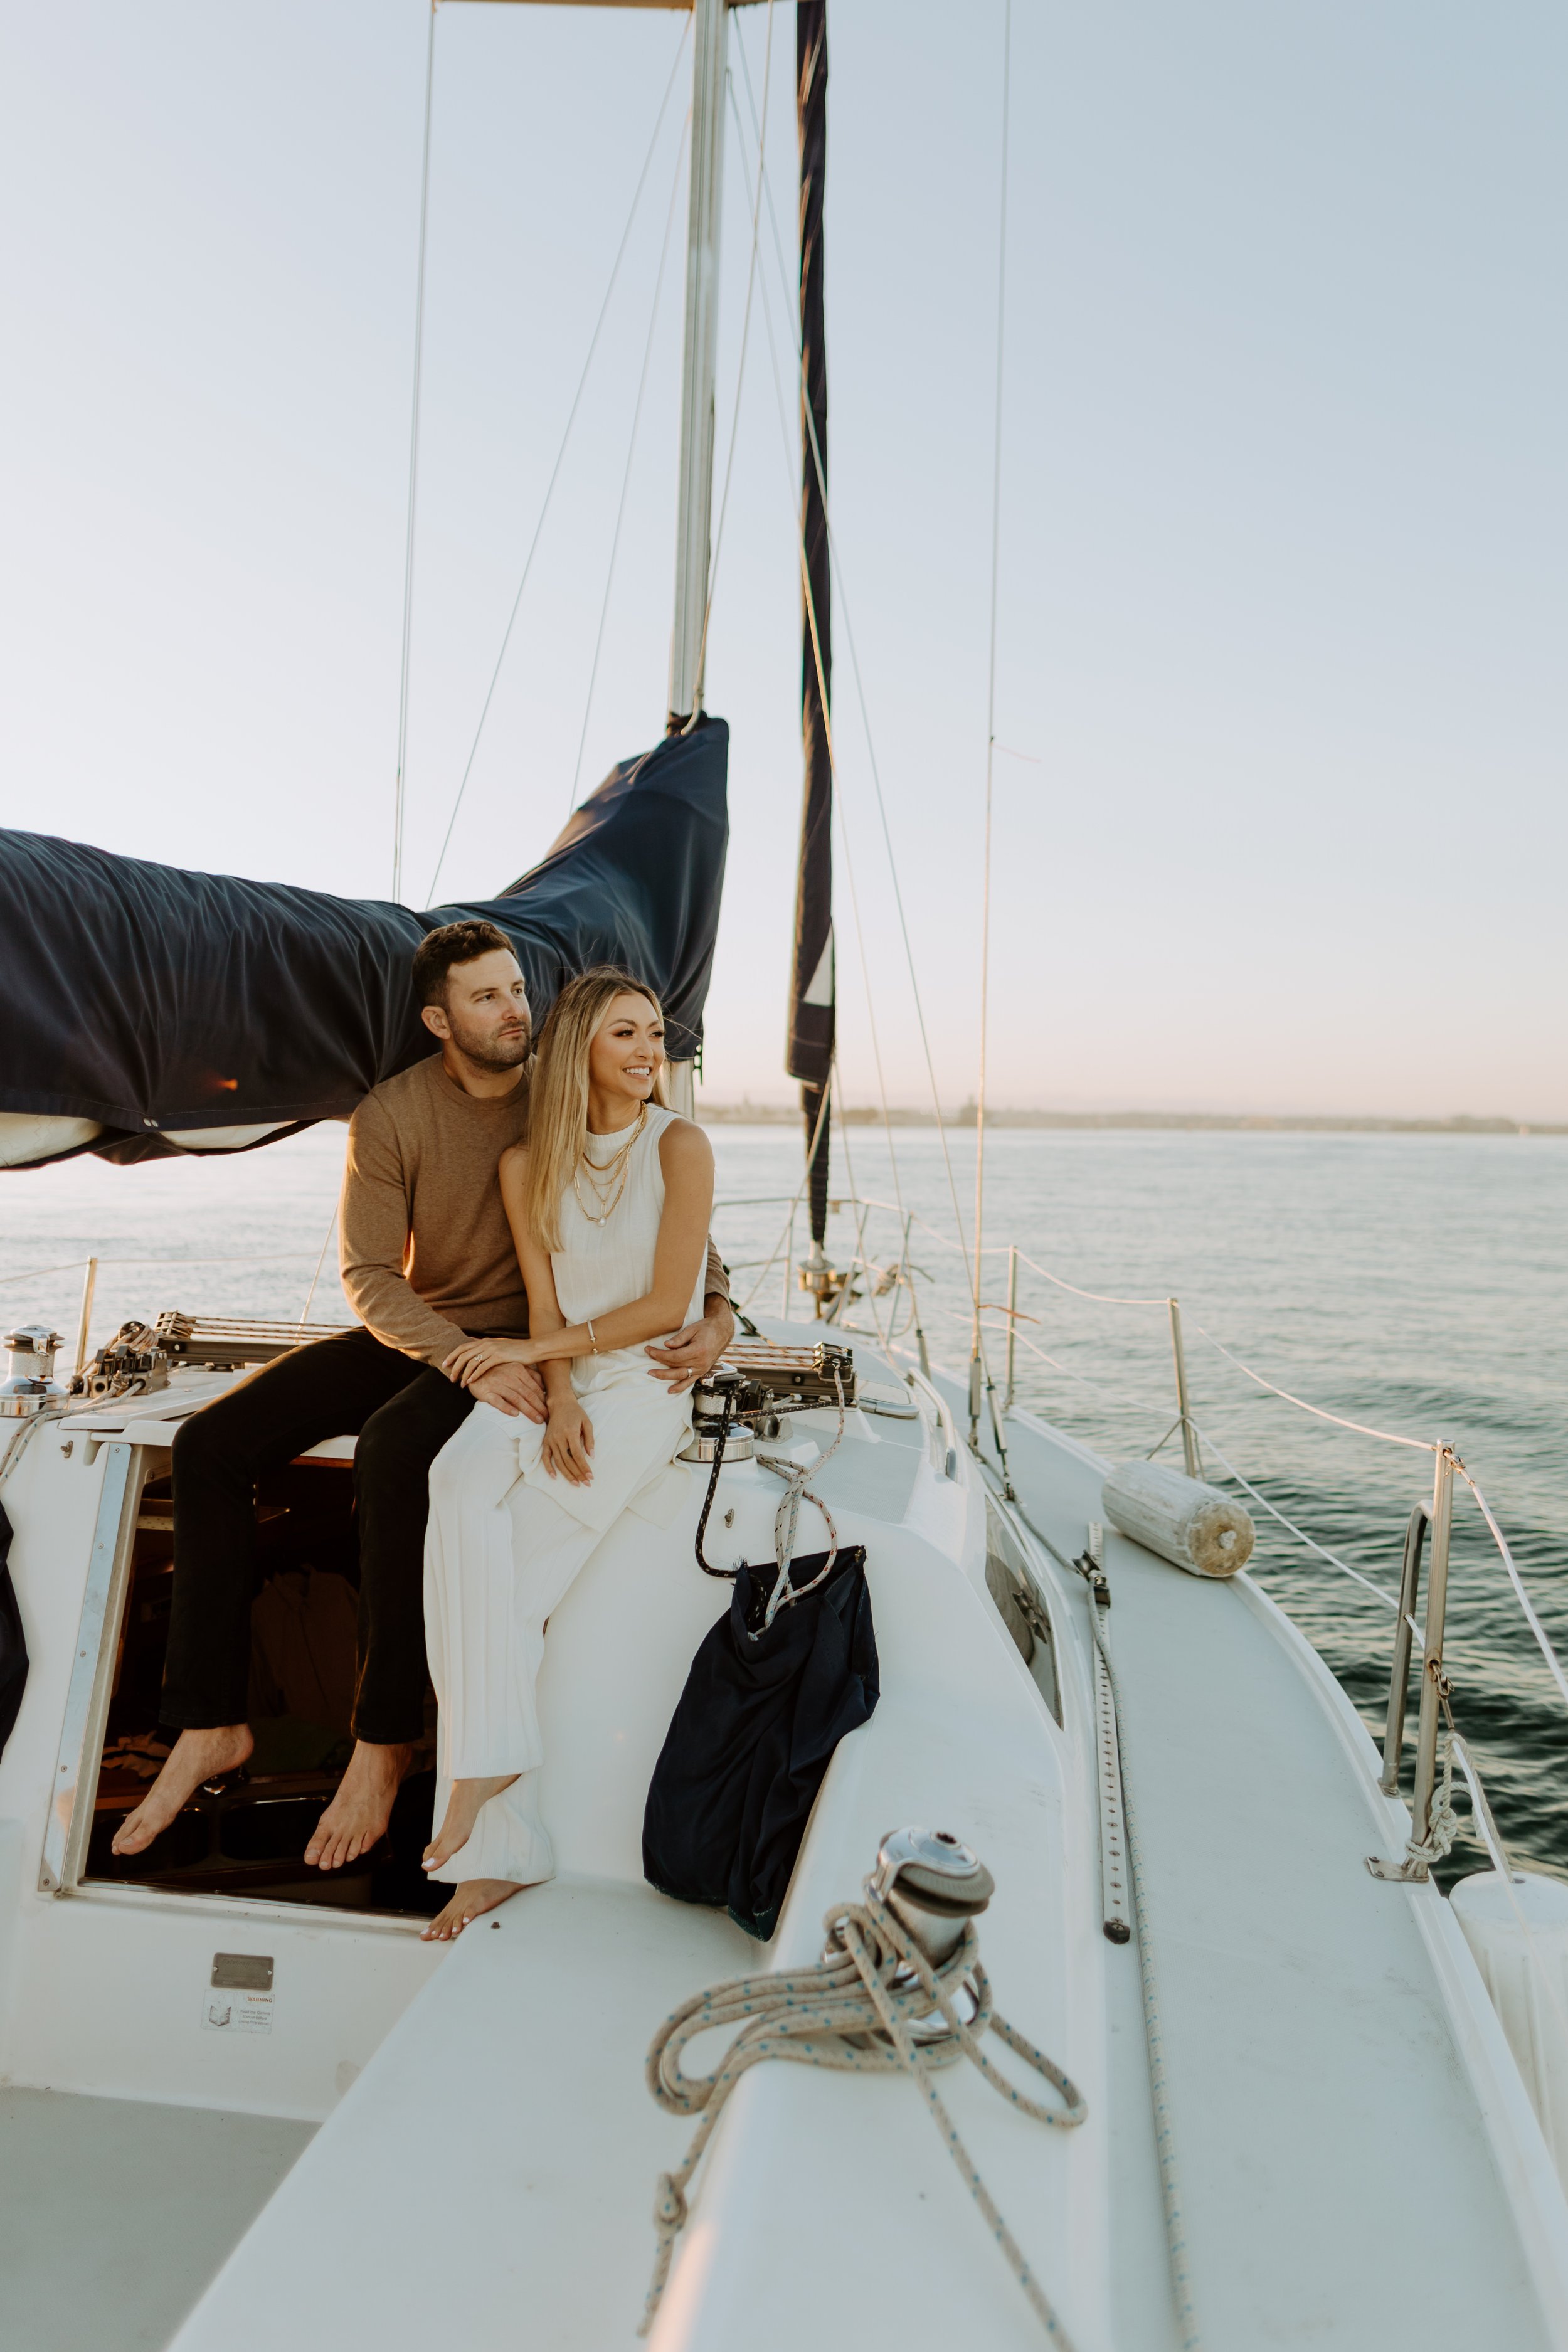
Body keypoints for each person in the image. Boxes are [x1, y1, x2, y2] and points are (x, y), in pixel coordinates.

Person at [112, 924, 734, 1867]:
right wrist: (459, 1357)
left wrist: (722, 1313)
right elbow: (369, 1275)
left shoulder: (564, 1093)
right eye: (486, 997)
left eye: (519, 989)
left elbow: (673, 1226)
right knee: (209, 1444)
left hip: (525, 1336)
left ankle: (385, 1738)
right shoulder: (392, 1115)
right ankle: (207, 1721)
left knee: (396, 1454)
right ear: (439, 1019)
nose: (515, 1008)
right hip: (431, 1337)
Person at [416, 966, 714, 1941]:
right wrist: (555, 1397)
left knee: (510, 1581)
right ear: (581, 1047)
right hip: (566, 1378)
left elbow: (670, 1305)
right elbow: (547, 1305)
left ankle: (489, 1834)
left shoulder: (684, 1145)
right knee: (454, 1480)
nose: (646, 1050)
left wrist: (542, 1362)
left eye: (654, 1033)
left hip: (649, 1386)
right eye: (624, 1033)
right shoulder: (526, 1165)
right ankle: (493, 1782)